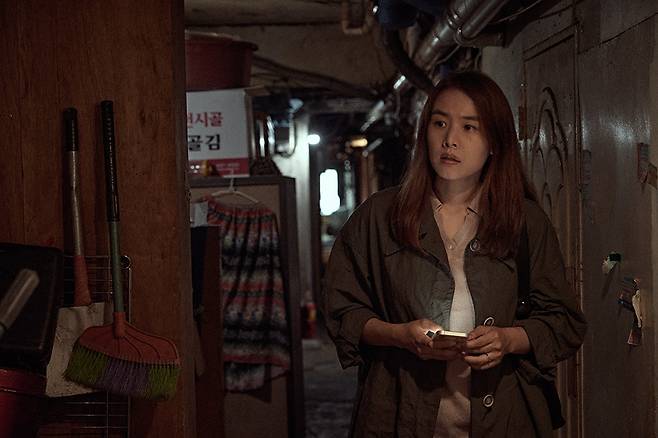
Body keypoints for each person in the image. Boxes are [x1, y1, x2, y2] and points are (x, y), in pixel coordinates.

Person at [320, 70, 587, 438]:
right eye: (440, 123)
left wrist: (508, 340)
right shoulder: (380, 216)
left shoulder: (524, 221)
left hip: (504, 419)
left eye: (469, 127)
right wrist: (400, 335)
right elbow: (342, 310)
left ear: (494, 142)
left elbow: (563, 321)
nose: (450, 140)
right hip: (398, 417)